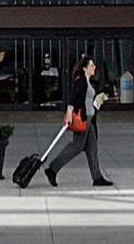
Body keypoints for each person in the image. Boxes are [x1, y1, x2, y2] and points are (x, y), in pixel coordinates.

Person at [44, 55, 113, 187]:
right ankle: (52, 169)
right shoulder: (80, 81)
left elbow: (86, 101)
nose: (94, 68)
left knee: (92, 148)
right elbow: (73, 98)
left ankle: (97, 177)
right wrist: (69, 114)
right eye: (91, 65)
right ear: (84, 68)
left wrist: (98, 99)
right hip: (83, 119)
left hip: (90, 119)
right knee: (77, 146)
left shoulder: (87, 82)